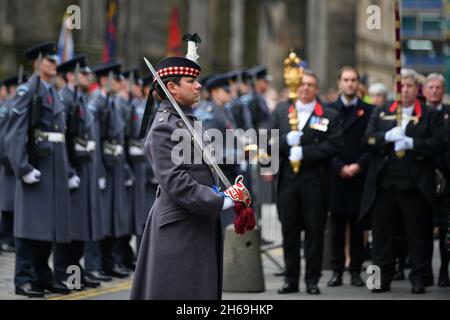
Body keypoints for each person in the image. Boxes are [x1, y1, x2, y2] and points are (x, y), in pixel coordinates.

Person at [130, 49, 252, 299]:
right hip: (180, 226)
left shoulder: (186, 120)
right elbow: (177, 183)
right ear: (172, 88)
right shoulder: (164, 128)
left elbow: (203, 170)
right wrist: (223, 200)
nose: (198, 86)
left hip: (196, 220)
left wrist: (223, 191)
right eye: (191, 81)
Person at [359, 69, 445, 294]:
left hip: (414, 184)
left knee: (418, 235)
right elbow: (367, 140)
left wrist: (412, 144)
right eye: (400, 86)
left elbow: (439, 143)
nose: (404, 90)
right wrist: (385, 137)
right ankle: (378, 279)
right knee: (382, 237)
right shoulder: (381, 112)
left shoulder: (428, 114)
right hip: (385, 184)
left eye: (408, 86)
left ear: (417, 89)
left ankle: (419, 278)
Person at [5, 42, 72, 297]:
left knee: (48, 224)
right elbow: (15, 133)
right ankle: (23, 278)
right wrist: (22, 167)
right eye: (50, 61)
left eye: (55, 61)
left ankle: (42, 274)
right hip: (35, 163)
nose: (55, 65)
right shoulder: (27, 91)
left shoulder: (52, 91)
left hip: (53, 165)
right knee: (28, 225)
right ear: (38, 63)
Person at [270, 70, 342, 294]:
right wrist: (284, 141)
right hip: (288, 181)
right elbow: (267, 141)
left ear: (316, 89)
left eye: (310, 85)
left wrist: (306, 152)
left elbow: (334, 145)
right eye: (302, 84)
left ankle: (312, 279)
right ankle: (291, 279)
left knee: (314, 231)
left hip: (315, 181)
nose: (305, 88)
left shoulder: (328, 114)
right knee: (289, 230)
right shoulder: (282, 111)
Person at [52, 55, 103, 290]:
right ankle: (64, 271)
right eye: (83, 73)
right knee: (69, 225)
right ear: (70, 75)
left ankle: (75, 269)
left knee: (80, 225)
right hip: (72, 170)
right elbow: (66, 140)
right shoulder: (65, 98)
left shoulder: (79, 98)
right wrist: (69, 171)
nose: (88, 77)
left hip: (84, 168)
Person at [327, 66, 374, 287]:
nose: (350, 84)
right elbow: (325, 143)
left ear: (358, 84)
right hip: (336, 175)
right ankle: (337, 270)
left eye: (353, 80)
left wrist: (358, 165)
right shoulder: (328, 110)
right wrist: (339, 166)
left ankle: (355, 269)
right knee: (336, 226)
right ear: (339, 83)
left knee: (357, 225)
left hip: (359, 174)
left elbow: (372, 144)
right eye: (346, 80)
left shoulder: (369, 111)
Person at [423, 72, 450, 287]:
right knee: (421, 226)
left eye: (438, 88)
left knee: (444, 227)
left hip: (446, 177)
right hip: (423, 176)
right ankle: (422, 271)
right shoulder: (418, 114)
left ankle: (443, 270)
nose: (434, 91)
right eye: (430, 87)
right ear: (424, 91)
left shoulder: (447, 114)